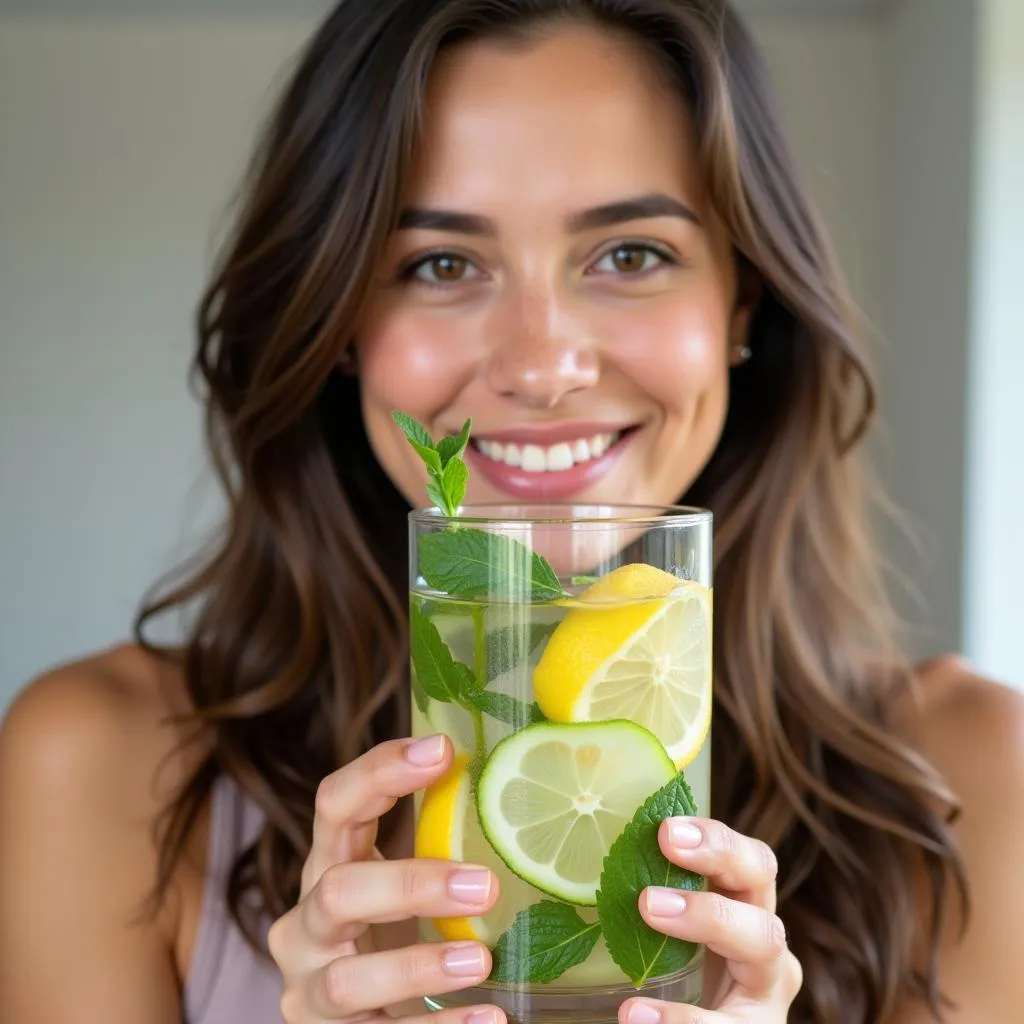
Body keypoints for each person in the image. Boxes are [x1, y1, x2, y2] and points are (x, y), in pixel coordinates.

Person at [2, 0, 1022, 1022]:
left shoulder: (979, 779)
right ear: (341, 323)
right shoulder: (98, 770)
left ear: (740, 304)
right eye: (440, 265)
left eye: (629, 254)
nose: (541, 368)